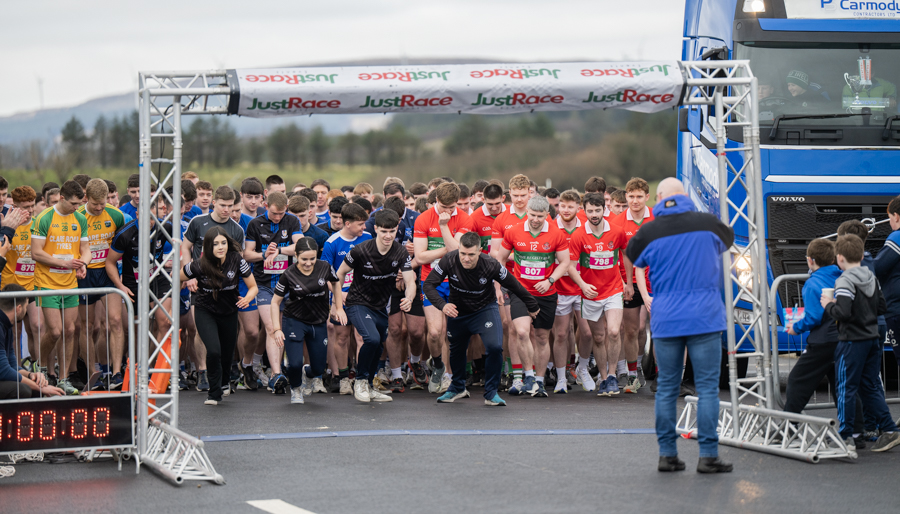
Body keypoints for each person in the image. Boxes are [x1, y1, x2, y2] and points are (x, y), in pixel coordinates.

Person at [625, 177, 734, 473]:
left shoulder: (648, 231)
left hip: (667, 317)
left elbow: (632, 255)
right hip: (704, 316)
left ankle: (667, 454)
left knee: (667, 388)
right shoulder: (709, 224)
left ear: (658, 198)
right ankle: (708, 455)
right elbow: (728, 241)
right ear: (685, 196)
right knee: (708, 388)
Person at [425, 232, 539, 405]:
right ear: (458, 250)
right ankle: (457, 388)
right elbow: (428, 284)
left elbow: (514, 284)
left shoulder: (490, 264)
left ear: (480, 251)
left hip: (484, 309)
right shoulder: (449, 259)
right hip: (458, 310)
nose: (466, 258)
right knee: (456, 350)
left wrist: (532, 305)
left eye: (471, 254)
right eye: (463, 253)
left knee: (494, 347)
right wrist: (443, 305)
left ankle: (491, 393)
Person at [822, 234, 900, 452]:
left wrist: (829, 305)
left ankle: (846, 435)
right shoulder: (871, 277)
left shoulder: (844, 280)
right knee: (870, 385)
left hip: (852, 340)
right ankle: (889, 429)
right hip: (872, 337)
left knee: (846, 387)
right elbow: (882, 307)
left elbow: (843, 312)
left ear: (839, 258)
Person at [334, 209, 417, 403]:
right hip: (357, 302)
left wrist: (409, 298)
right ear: (376, 229)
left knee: (379, 346)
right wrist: (337, 305)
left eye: (392, 231)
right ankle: (360, 381)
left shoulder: (400, 251)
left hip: (380, 306)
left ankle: (370, 386)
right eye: (384, 231)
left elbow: (410, 281)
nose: (388, 236)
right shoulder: (361, 250)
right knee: (371, 339)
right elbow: (339, 274)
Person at [496, 195, 570, 397]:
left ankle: (539, 380)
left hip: (546, 293)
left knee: (542, 337)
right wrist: (498, 287)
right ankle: (527, 375)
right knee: (521, 332)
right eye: (532, 215)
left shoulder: (556, 234)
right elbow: (500, 259)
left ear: (547, 215)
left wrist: (550, 280)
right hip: (521, 291)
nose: (535, 219)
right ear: (527, 212)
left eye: (540, 216)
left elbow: (565, 262)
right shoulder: (513, 231)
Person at [181, 227, 257, 405]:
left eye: (223, 243)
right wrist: (185, 285)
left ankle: (224, 383)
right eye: (215, 244)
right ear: (208, 246)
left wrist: (247, 298)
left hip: (229, 311)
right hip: (205, 310)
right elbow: (177, 277)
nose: (220, 247)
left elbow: (253, 287)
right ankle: (214, 393)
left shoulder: (236, 260)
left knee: (226, 353)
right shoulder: (199, 265)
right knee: (214, 350)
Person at [414, 182, 475, 394]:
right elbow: (420, 257)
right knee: (434, 332)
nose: (448, 211)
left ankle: (448, 376)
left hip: (457, 282)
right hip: (432, 281)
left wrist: (443, 227)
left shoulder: (465, 219)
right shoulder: (423, 219)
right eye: (444, 207)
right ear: (436, 200)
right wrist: (447, 248)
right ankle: (438, 364)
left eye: (452, 207)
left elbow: (458, 252)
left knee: (453, 334)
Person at [565, 193, 628, 396]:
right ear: (584, 211)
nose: (594, 214)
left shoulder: (617, 231)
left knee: (614, 331)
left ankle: (612, 376)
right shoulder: (578, 235)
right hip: (591, 293)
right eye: (590, 211)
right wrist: (583, 285)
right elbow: (571, 266)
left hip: (613, 289)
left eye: (597, 210)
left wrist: (627, 281)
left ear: (604, 210)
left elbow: (625, 255)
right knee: (599, 337)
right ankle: (603, 377)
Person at [32, 180, 89, 395]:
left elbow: (86, 249)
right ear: (62, 198)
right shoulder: (45, 218)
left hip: (70, 283)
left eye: (79, 204)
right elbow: (36, 252)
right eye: (74, 203)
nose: (77, 207)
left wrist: (83, 264)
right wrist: (63, 263)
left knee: (70, 330)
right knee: (54, 331)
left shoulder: (80, 218)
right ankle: (41, 366)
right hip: (47, 282)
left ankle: (64, 378)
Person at [245, 191, 302, 394]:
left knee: (283, 329)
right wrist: (264, 254)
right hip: (264, 284)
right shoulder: (255, 224)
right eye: (274, 213)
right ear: (266, 206)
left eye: (281, 213)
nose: (278, 217)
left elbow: (300, 246)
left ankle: (276, 369)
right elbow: (247, 254)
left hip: (288, 284)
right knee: (271, 327)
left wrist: (278, 251)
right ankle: (276, 374)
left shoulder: (292, 221)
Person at [271, 237, 340, 404]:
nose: (308, 263)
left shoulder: (324, 267)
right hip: (295, 320)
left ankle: (307, 374)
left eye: (312, 259)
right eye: (304, 259)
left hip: (318, 321)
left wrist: (338, 307)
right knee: (294, 363)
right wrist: (277, 329)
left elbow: (335, 283)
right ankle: (296, 389)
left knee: (318, 368)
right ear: (296, 256)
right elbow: (275, 302)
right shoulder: (288, 274)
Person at [76, 179, 127, 390]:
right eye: (95, 204)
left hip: (107, 272)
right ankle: (92, 374)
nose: (99, 208)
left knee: (115, 321)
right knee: (87, 326)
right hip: (85, 274)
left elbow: (124, 245)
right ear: (86, 198)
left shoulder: (116, 215)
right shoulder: (78, 215)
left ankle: (116, 373)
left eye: (103, 203)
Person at [322, 202, 372, 394]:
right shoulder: (332, 242)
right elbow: (326, 275)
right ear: (348, 223)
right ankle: (343, 378)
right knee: (342, 337)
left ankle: (361, 379)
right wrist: (338, 294)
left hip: (363, 297)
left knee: (362, 337)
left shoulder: (368, 238)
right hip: (340, 297)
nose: (364, 227)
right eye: (360, 224)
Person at [552, 189, 595, 393]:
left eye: (570, 206)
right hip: (559, 288)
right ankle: (561, 378)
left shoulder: (587, 227)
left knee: (587, 332)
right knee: (561, 333)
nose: (566, 210)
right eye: (563, 206)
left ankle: (582, 368)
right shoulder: (551, 227)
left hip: (582, 287)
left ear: (579, 207)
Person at [614, 177, 654, 393]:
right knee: (630, 330)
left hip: (654, 282)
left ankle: (651, 370)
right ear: (626, 196)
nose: (635, 201)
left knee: (652, 329)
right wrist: (624, 282)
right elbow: (614, 256)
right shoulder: (618, 222)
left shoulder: (656, 218)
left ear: (647, 197)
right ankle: (632, 374)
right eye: (631, 196)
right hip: (629, 283)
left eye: (639, 196)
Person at [0, 283, 64, 398]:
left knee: (35, 387)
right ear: (19, 308)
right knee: (24, 390)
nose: (26, 311)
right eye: (26, 307)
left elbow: (12, 366)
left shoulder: (7, 324)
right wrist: (39, 387)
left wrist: (31, 375)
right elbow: (4, 370)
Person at [875, 196, 900, 361]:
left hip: (896, 309)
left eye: (890, 218)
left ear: (896, 216)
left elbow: (877, 267)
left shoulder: (897, 237)